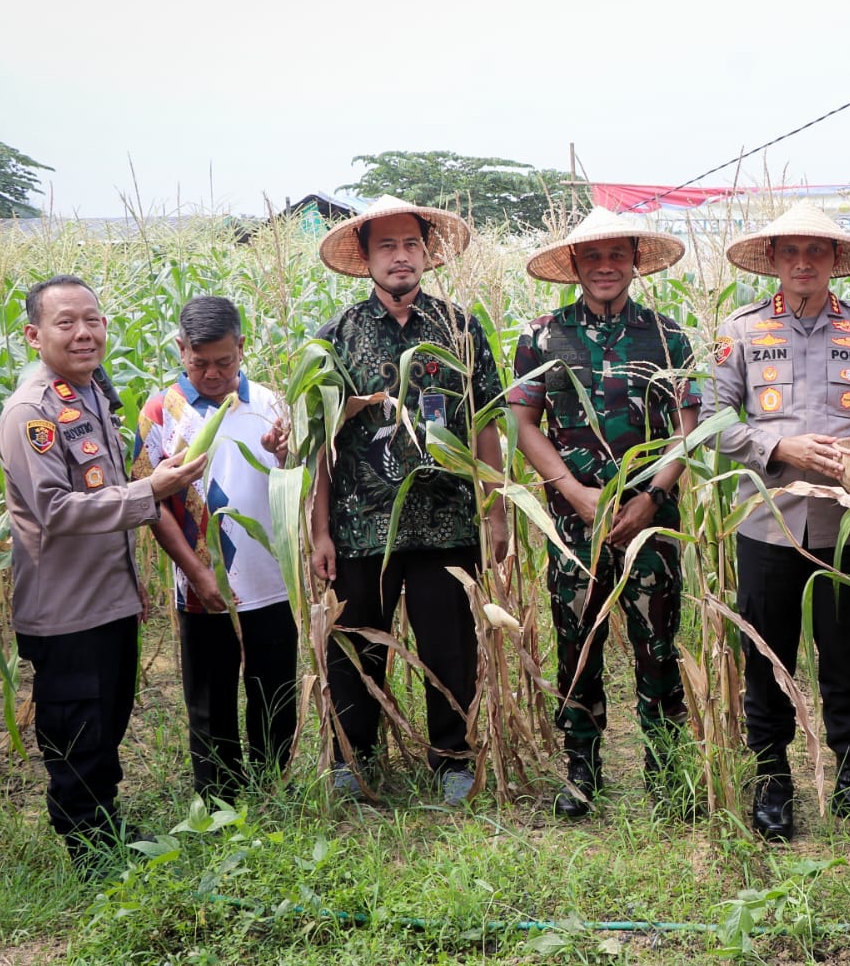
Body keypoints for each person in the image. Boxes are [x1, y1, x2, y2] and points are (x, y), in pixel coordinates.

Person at [701, 201, 850, 839]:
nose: (804, 263)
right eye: (792, 252)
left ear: (836, 261)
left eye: (817, 252)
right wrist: (778, 449)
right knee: (768, 655)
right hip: (768, 522)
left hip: (848, 526)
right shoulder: (742, 330)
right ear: (775, 261)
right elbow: (713, 422)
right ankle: (773, 781)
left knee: (848, 656)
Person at [0, 275, 204, 874]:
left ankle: (104, 822)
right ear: (35, 334)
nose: (84, 333)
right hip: (65, 612)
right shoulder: (32, 413)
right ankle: (90, 854)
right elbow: (55, 510)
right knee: (76, 733)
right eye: (66, 323)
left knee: (106, 724)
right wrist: (151, 490)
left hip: (108, 600)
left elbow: (104, 491)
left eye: (93, 320)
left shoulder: (87, 394)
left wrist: (128, 571)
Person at [309, 195, 508, 807]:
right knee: (356, 644)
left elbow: (487, 425)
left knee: (449, 644)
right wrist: (320, 532)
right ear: (366, 258)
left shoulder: (461, 328)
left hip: (446, 523)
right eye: (387, 246)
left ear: (427, 253)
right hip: (360, 525)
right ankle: (352, 759)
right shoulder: (335, 337)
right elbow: (319, 444)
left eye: (411, 245)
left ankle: (452, 757)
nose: (401, 257)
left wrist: (496, 512)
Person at [508, 207, 698, 818]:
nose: (606, 267)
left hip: (651, 525)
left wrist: (652, 497)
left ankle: (665, 767)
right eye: (593, 257)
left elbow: (687, 430)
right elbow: (523, 425)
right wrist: (574, 492)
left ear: (635, 261)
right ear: (574, 266)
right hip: (573, 523)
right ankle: (581, 769)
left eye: (617, 255)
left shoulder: (669, 338)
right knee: (577, 641)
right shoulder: (541, 337)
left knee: (657, 643)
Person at [134, 296, 297, 799]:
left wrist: (286, 455)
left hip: (270, 578)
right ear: (181, 349)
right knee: (210, 692)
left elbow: (295, 484)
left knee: (275, 688)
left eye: (225, 362)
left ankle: (274, 782)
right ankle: (219, 794)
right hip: (199, 580)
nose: (212, 373)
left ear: (242, 348)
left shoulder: (271, 404)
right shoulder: (161, 411)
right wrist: (197, 573)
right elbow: (150, 500)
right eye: (199, 362)